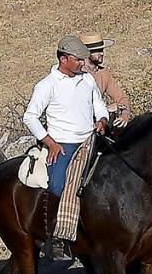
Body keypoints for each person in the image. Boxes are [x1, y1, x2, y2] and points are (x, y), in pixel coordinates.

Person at [24, 35, 110, 261]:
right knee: (58, 184)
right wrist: (50, 142)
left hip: (90, 141)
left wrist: (102, 119)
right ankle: (55, 237)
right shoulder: (47, 85)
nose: (82, 63)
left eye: (83, 59)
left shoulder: (87, 80)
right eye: (78, 59)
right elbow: (30, 117)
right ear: (63, 59)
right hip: (63, 145)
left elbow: (99, 105)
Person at [81, 35, 135, 129]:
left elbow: (121, 97)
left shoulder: (103, 73)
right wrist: (106, 109)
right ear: (86, 53)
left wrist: (125, 115)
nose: (101, 53)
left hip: (100, 124)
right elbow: (75, 107)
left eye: (101, 50)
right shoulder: (77, 74)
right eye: (96, 51)